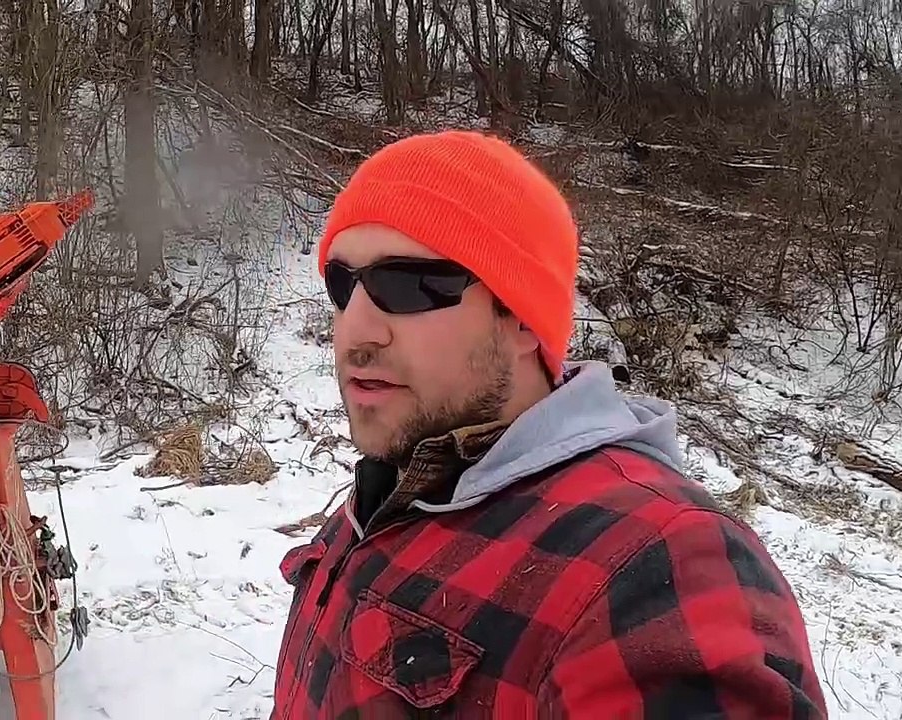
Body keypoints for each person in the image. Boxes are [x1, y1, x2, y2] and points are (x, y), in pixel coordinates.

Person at [270, 129, 827, 718]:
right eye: (341, 285)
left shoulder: (661, 561)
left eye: (408, 286)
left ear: (522, 318)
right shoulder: (393, 489)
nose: (356, 331)